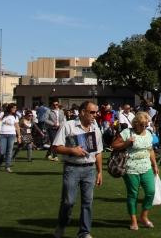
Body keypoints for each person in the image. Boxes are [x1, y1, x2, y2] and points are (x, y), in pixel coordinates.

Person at [52, 100, 103, 238]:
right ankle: (61, 225)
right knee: (68, 201)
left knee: (88, 202)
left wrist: (100, 172)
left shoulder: (96, 129)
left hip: (90, 169)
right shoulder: (68, 126)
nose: (95, 115)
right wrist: (72, 150)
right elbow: (56, 147)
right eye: (92, 112)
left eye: (96, 112)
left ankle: (84, 232)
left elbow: (98, 152)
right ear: (82, 112)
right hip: (72, 168)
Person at [113, 111, 159, 230]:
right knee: (133, 194)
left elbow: (150, 150)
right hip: (130, 168)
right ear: (136, 123)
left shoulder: (149, 133)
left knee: (151, 192)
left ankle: (144, 216)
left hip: (146, 167)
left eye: (146, 124)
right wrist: (127, 143)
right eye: (142, 124)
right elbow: (114, 145)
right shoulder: (127, 132)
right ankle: (133, 220)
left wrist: (154, 165)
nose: (144, 127)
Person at [0, 103, 21, 172]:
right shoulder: (2, 114)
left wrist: (19, 136)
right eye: (13, 108)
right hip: (2, 134)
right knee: (1, 151)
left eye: (15, 108)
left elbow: (17, 126)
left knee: (9, 151)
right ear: (9, 108)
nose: (14, 109)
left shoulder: (15, 116)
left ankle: (7, 166)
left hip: (12, 135)